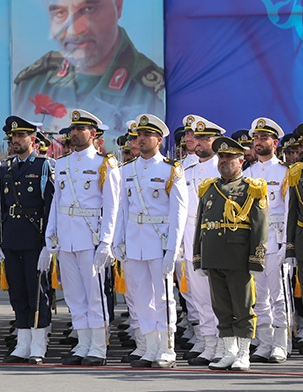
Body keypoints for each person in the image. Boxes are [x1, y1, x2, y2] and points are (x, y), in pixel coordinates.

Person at [12, 0, 163, 133]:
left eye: (88, 9)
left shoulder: (153, 92)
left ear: (118, 4)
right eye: (59, 13)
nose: (74, 30)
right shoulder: (31, 86)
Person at [41, 109, 120, 366]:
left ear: (93, 133)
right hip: (67, 238)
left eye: (80, 129)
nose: (74, 133)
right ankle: (83, 344)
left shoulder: (104, 164)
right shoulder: (62, 163)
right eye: (72, 129)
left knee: (95, 295)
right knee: (74, 296)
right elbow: (57, 203)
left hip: (90, 238)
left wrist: (106, 242)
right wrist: (50, 234)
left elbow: (112, 207)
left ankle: (98, 346)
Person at [113, 114, 186, 369]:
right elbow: (122, 209)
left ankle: (167, 348)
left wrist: (172, 249)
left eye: (147, 135)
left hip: (159, 242)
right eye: (139, 135)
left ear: (159, 139)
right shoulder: (126, 170)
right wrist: (118, 240)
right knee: (141, 298)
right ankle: (150, 346)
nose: (141, 139)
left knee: (164, 297)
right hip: (135, 242)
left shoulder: (171, 169)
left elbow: (178, 214)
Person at [194, 135, 269, 371]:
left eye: (229, 157)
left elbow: (259, 226)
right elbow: (200, 225)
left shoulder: (252, 188)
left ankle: (244, 353)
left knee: (243, 307)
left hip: (238, 257)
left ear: (241, 161)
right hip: (213, 255)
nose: (224, 161)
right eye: (221, 157)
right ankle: (229, 352)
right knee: (222, 308)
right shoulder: (209, 188)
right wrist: (198, 257)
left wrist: (256, 258)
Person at [0, 115, 55, 364]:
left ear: (33, 139)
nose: (16, 140)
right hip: (12, 237)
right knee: (18, 292)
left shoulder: (44, 166)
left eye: (21, 135)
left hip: (34, 238)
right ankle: (22, 343)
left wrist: (48, 243)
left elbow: (50, 207)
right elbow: (0, 208)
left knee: (37, 292)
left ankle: (38, 344)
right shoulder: (6, 168)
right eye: (13, 136)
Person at [242, 117, 290, 363]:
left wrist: (287, 245)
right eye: (256, 138)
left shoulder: (285, 172)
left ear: (275, 142)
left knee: (278, 295)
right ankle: (264, 342)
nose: (259, 142)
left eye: (264, 138)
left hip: (276, 239)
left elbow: (290, 210)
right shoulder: (247, 174)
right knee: (259, 297)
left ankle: (281, 343)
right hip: (255, 242)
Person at [180, 116, 225, 366]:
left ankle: (223, 344)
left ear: (215, 141)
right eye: (196, 138)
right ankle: (208, 344)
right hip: (191, 240)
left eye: (205, 138)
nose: (198, 142)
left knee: (219, 297)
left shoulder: (223, 169)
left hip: (216, 239)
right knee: (199, 298)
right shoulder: (187, 170)